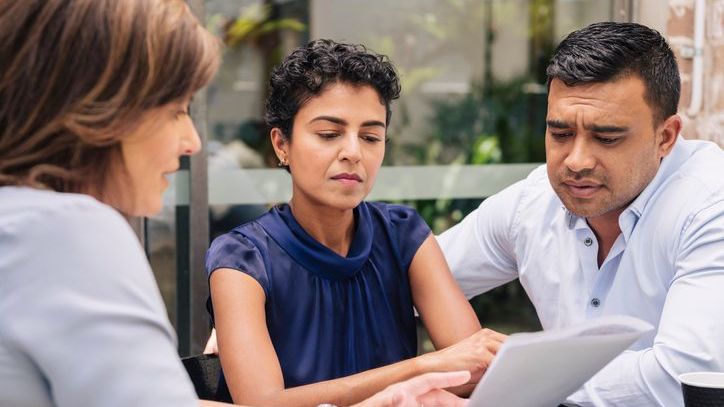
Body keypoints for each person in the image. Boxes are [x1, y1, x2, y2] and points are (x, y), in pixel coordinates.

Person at [0, 1, 472, 406]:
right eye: (175, 111)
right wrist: (416, 372)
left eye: (371, 135)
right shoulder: (71, 234)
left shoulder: (33, 227)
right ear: (96, 114)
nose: (193, 142)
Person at [205, 39, 505, 407]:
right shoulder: (241, 259)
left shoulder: (403, 234)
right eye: (329, 134)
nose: (353, 153)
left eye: (370, 137)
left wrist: (438, 370)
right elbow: (263, 403)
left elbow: (474, 369)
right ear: (281, 145)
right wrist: (422, 369)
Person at [438, 21, 724, 406]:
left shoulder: (710, 206)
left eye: (607, 138)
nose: (576, 161)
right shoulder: (532, 202)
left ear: (666, 137)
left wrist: (523, 376)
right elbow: (409, 282)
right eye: (560, 134)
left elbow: (681, 380)